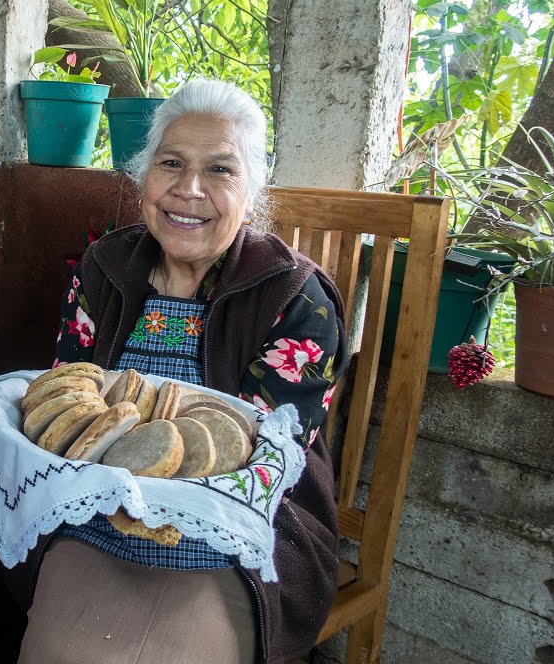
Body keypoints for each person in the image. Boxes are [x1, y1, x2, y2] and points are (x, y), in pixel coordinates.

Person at [18, 80, 346, 664]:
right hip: (97, 514)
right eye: (171, 163)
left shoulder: (298, 297)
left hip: (240, 532)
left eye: (220, 170)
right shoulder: (103, 268)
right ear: (144, 175)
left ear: (251, 191)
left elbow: (266, 459)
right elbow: (68, 403)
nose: (188, 189)